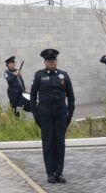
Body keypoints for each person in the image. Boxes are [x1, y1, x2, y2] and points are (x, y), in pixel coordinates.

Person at [29, 48, 75, 184]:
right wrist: (36, 114)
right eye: (48, 61)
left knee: (60, 144)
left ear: (56, 61)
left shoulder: (64, 75)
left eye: (53, 60)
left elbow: (71, 96)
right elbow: (32, 96)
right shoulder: (39, 75)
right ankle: (50, 173)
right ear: (44, 62)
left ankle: (59, 173)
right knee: (48, 144)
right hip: (45, 114)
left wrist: (70, 114)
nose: (51, 62)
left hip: (61, 114)